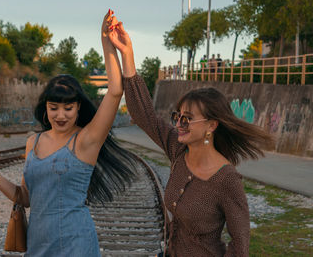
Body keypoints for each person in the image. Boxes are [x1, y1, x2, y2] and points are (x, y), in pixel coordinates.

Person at [106, 14, 274, 256]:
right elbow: (144, 115)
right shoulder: (178, 150)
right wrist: (127, 53)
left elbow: (240, 246)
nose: (179, 124)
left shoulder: (227, 181)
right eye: (178, 117)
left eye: (187, 118)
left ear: (211, 126)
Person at [0, 10, 138, 257]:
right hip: (38, 244)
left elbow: (115, 91)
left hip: (75, 245)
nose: (61, 115)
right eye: (54, 108)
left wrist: (106, 40)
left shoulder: (85, 141)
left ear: (78, 109)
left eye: (68, 108)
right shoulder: (33, 142)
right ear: (45, 108)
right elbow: (26, 197)